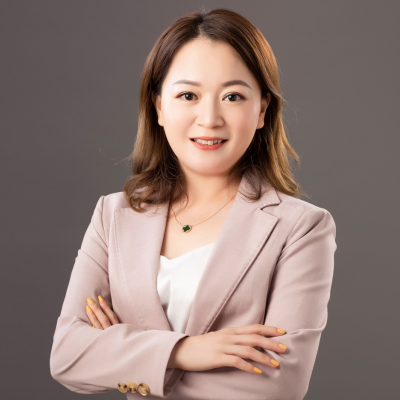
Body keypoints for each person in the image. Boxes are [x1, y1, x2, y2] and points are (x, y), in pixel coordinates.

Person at [50, 7, 337, 400]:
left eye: (233, 96)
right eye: (188, 95)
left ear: (262, 110)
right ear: (158, 107)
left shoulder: (301, 227)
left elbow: (278, 385)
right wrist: (186, 351)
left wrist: (122, 353)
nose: (210, 118)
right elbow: (67, 356)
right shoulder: (114, 215)